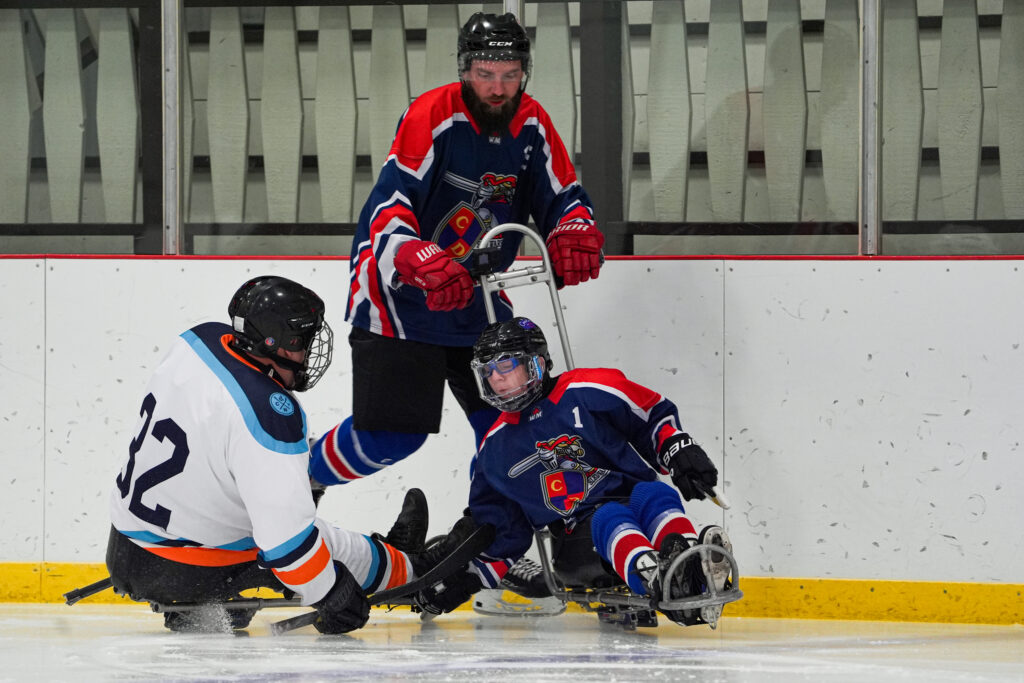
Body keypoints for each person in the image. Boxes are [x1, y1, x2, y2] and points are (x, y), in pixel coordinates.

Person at [308, 12, 603, 606]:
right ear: (465, 68)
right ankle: (299, 482)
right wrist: (418, 258)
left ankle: (493, 543)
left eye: (510, 74)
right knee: (391, 438)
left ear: (525, 72)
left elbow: (563, 196)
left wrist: (574, 227)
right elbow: (389, 205)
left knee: (511, 425)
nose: (498, 86)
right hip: (400, 298)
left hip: (477, 302)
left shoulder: (533, 123)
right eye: (486, 72)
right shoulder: (432, 114)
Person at [106, 275, 480, 633]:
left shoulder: (201, 340)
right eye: (302, 340)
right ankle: (410, 570)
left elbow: (212, 438)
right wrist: (332, 594)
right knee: (320, 543)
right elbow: (287, 546)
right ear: (272, 343)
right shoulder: (268, 411)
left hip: (127, 542)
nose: (308, 350)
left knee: (281, 495)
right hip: (183, 567)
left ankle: (387, 559)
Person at [453, 317, 737, 627]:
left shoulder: (588, 389)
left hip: (633, 500)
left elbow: (651, 414)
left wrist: (678, 450)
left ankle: (690, 567)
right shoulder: (494, 448)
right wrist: (463, 579)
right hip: (575, 540)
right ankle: (659, 580)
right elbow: (499, 529)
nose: (496, 379)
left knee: (656, 492)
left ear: (537, 362)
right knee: (610, 516)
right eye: (488, 372)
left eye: (505, 365)